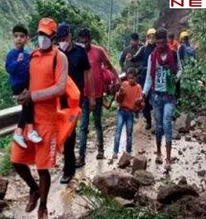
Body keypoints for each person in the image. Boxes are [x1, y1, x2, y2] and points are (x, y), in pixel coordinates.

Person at [10, 18, 68, 219]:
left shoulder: (59, 58)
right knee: (17, 160)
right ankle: (33, 189)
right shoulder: (32, 56)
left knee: (43, 168)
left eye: (46, 35)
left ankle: (42, 209)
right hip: (29, 119)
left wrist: (34, 96)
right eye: (40, 34)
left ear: (54, 37)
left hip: (48, 121)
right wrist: (24, 93)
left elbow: (60, 88)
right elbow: (25, 80)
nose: (42, 38)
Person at [77, 28, 118, 166]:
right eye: (81, 40)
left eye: (86, 40)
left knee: (97, 123)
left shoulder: (98, 51)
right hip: (83, 95)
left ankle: (100, 149)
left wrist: (117, 79)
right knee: (83, 126)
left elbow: (109, 66)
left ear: (90, 39)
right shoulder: (78, 53)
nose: (84, 42)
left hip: (98, 94)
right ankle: (81, 156)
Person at [55, 23, 91, 184]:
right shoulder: (56, 54)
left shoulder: (80, 52)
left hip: (76, 100)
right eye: (60, 39)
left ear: (70, 36)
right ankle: (71, 162)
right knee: (64, 133)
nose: (63, 41)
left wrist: (90, 96)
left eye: (65, 38)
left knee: (69, 132)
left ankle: (67, 170)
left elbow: (87, 73)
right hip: (60, 100)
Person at [143, 28, 183, 166]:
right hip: (156, 96)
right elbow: (149, 78)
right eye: (157, 43)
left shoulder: (173, 53)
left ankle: (168, 158)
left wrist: (175, 78)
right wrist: (143, 94)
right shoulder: (152, 57)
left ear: (166, 41)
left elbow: (180, 70)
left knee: (167, 123)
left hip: (169, 95)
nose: (160, 45)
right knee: (158, 126)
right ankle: (159, 152)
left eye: (162, 42)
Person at [5, 24, 42, 148]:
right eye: (16, 36)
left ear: (27, 39)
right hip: (18, 85)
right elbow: (9, 69)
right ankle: (29, 131)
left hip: (27, 84)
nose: (19, 39)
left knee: (28, 106)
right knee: (28, 103)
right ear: (13, 38)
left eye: (22, 36)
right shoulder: (11, 54)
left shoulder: (27, 54)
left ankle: (21, 132)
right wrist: (17, 62)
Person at [112, 68, 143, 159]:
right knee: (118, 131)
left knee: (129, 133)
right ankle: (115, 152)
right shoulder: (124, 85)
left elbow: (140, 104)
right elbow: (118, 99)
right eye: (129, 78)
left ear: (136, 78)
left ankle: (128, 152)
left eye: (132, 78)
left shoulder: (138, 88)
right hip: (121, 110)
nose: (130, 80)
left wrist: (139, 102)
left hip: (130, 112)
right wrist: (120, 94)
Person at [130, 28, 157, 129]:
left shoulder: (158, 49)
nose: (152, 38)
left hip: (155, 76)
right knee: (144, 98)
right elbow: (135, 58)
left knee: (155, 99)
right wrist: (131, 58)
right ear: (147, 37)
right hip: (145, 77)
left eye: (154, 37)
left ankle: (156, 122)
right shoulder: (143, 49)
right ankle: (148, 120)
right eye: (150, 37)